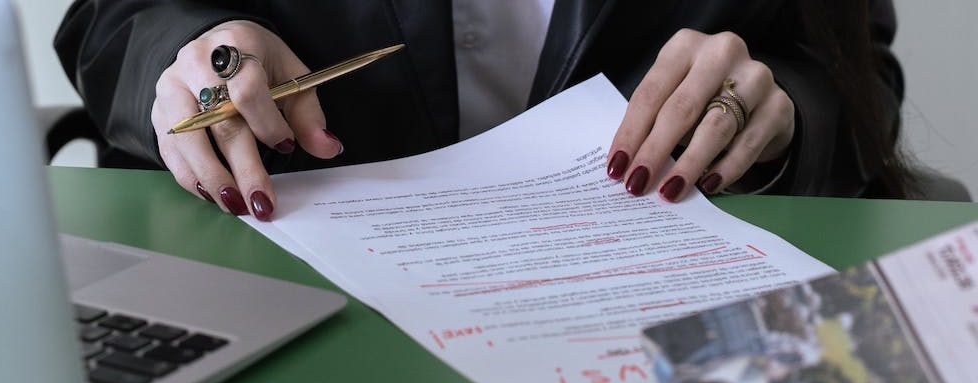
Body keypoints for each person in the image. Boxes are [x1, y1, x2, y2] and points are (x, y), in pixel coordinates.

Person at [54, 1, 912, 222]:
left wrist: (776, 109)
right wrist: (195, 52)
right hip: (301, 287)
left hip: (645, 310)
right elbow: (114, 22)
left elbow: (854, 69)